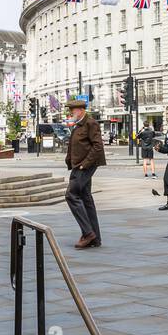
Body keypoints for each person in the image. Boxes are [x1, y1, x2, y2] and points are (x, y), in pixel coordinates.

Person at [63, 98, 106, 248]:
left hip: (85, 166)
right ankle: (95, 238)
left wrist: (84, 165)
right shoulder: (78, 124)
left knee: (71, 195)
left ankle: (88, 233)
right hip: (78, 165)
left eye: (72, 110)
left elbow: (98, 147)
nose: (70, 113)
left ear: (80, 110)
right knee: (85, 198)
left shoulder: (90, 123)